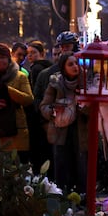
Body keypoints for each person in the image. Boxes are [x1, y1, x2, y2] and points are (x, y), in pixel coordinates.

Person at [39, 53, 88, 195]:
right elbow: (44, 106)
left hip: (81, 131)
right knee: (62, 168)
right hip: (60, 132)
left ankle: (82, 200)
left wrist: (83, 106)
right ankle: (62, 201)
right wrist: (54, 110)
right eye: (70, 64)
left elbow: (94, 108)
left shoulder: (86, 82)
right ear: (63, 67)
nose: (75, 67)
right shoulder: (55, 83)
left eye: (76, 63)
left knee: (81, 168)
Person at [24, 40, 53, 175]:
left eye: (33, 53)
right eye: (28, 53)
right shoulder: (49, 67)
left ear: (41, 53)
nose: (30, 56)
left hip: (37, 115)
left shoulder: (36, 69)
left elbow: (35, 93)